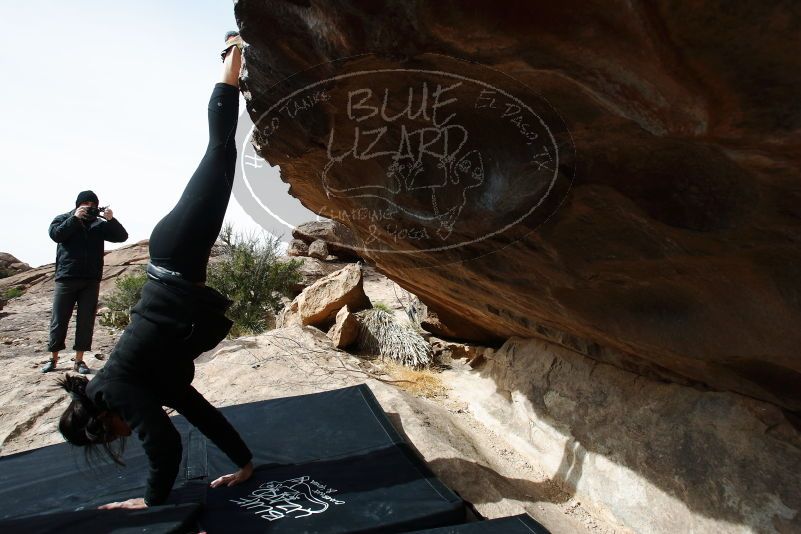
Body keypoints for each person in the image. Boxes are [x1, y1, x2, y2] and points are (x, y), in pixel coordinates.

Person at [55, 32, 253, 510]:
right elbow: (197, 411)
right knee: (221, 151)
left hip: (176, 255)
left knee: (218, 149)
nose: (125, 435)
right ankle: (235, 62)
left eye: (112, 437)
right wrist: (245, 463)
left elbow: (164, 446)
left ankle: (234, 55)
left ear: (99, 423)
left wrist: (149, 501)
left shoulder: (116, 390)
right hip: (177, 259)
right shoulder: (143, 379)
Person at [44, 191, 128, 373]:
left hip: (91, 279)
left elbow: (122, 237)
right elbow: (56, 235)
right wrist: (74, 219)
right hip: (66, 277)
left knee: (86, 321)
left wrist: (111, 220)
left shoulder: (99, 224)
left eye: (93, 204)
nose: (89, 206)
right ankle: (53, 358)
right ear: (77, 205)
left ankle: (79, 361)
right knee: (59, 320)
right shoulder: (63, 218)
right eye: (85, 203)